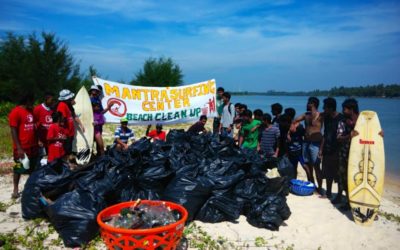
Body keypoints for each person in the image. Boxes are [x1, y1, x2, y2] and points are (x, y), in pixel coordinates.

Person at [9, 93, 38, 198]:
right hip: (22, 147)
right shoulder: (16, 112)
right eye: (32, 101)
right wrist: (19, 148)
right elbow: (13, 130)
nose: (33, 104)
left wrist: (38, 141)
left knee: (33, 168)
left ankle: (30, 188)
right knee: (18, 168)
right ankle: (15, 189)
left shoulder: (32, 111)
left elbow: (34, 127)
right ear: (27, 101)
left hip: (33, 146)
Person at [294, 97, 324, 194]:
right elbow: (295, 120)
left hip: (315, 144)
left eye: (308, 103)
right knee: (308, 165)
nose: (306, 105)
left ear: (313, 104)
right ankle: (312, 185)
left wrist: (321, 149)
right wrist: (294, 127)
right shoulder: (306, 115)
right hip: (306, 142)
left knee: (316, 166)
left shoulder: (321, 116)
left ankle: (320, 188)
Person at [336, 98, 359, 208]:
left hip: (360, 154)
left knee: (358, 177)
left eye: (345, 109)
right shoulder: (342, 122)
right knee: (345, 177)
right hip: (345, 153)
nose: (343, 111)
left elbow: (373, 132)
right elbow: (339, 138)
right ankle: (348, 201)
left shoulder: (363, 120)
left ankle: (358, 201)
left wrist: (380, 133)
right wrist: (348, 136)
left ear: (352, 109)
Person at [320, 98, 344, 199]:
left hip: (338, 150)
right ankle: (328, 193)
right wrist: (321, 149)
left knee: (338, 174)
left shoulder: (341, 118)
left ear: (330, 108)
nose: (323, 109)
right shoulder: (327, 118)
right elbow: (325, 134)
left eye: (325, 107)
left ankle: (339, 195)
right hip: (327, 148)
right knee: (327, 172)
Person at [56, 89, 84, 156]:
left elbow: (75, 116)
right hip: (65, 133)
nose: (71, 98)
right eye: (70, 98)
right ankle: (66, 164)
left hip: (70, 132)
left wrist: (81, 125)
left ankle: (68, 162)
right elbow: (62, 120)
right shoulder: (62, 105)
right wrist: (62, 133)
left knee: (69, 149)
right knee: (66, 150)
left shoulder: (69, 105)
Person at [285, 108, 305, 179]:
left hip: (297, 150)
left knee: (303, 166)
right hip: (294, 149)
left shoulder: (296, 126)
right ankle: (294, 180)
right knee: (294, 167)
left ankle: (310, 181)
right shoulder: (296, 125)